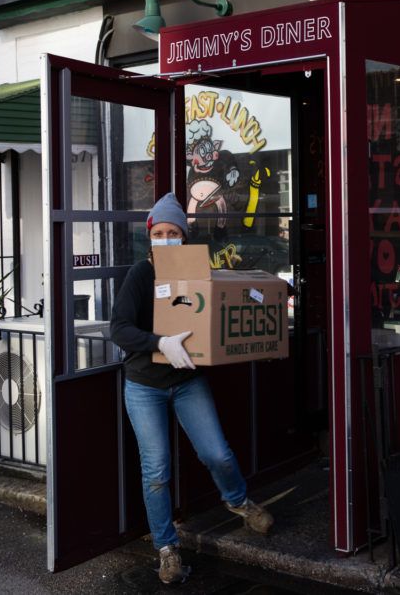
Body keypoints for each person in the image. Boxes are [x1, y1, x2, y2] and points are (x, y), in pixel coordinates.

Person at [111, 193, 273, 584]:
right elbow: (118, 329)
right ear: (150, 236)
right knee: (156, 470)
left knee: (217, 453)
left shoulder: (197, 273)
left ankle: (238, 502)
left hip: (187, 381)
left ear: (183, 236)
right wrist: (158, 343)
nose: (166, 238)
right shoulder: (140, 275)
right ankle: (166, 549)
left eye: (173, 232)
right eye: (159, 232)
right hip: (145, 385)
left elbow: (222, 306)